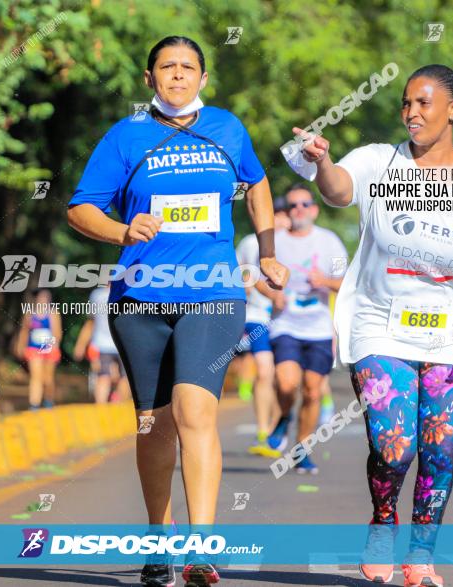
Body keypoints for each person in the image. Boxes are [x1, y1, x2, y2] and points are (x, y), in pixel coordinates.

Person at [67, 36, 288, 587]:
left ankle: (201, 549)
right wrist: (121, 229)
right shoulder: (126, 136)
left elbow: (257, 183)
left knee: (195, 411)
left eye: (189, 67)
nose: (178, 75)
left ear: (203, 79)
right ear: (150, 79)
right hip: (139, 298)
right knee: (154, 424)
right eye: (167, 67)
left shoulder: (227, 129)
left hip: (212, 292)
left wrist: (267, 253)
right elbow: (79, 208)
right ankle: (158, 542)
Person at [287, 64, 453, 587]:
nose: (411, 114)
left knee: (440, 449)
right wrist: (321, 162)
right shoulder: (378, 162)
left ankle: (420, 557)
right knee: (394, 446)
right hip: (378, 324)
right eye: (406, 104)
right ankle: (383, 520)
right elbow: (339, 191)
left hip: (452, 334)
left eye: (424, 104)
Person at [263, 183, 347, 475]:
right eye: (292, 205)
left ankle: (302, 449)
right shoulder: (275, 243)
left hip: (319, 328)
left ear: (314, 209)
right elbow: (255, 277)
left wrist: (326, 281)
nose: (297, 210)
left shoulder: (330, 242)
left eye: (303, 204)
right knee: (286, 383)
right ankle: (285, 415)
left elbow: (346, 282)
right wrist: (273, 294)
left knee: (312, 391)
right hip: (285, 322)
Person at [238, 196, 291, 458]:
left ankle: (276, 429)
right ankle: (263, 432)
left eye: (285, 214)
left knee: (284, 377)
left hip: (290, 321)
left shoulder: (298, 244)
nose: (281, 219)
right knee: (264, 370)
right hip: (258, 316)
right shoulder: (250, 243)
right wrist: (268, 293)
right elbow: (244, 273)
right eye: (277, 214)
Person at [73, 282, 128, 404]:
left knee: (103, 376)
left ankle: (102, 408)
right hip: (121, 344)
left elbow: (90, 322)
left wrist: (80, 345)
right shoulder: (126, 294)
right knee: (125, 377)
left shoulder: (96, 295)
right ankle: (116, 403)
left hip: (101, 344)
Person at [16, 288, 62, 410]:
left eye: (45, 297)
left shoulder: (53, 313)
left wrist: (53, 346)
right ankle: (34, 404)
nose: (42, 300)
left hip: (49, 349)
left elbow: (57, 333)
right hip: (33, 349)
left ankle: (48, 400)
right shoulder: (30, 313)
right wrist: (20, 346)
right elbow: (24, 331)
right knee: (36, 377)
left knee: (47, 379)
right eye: (40, 297)